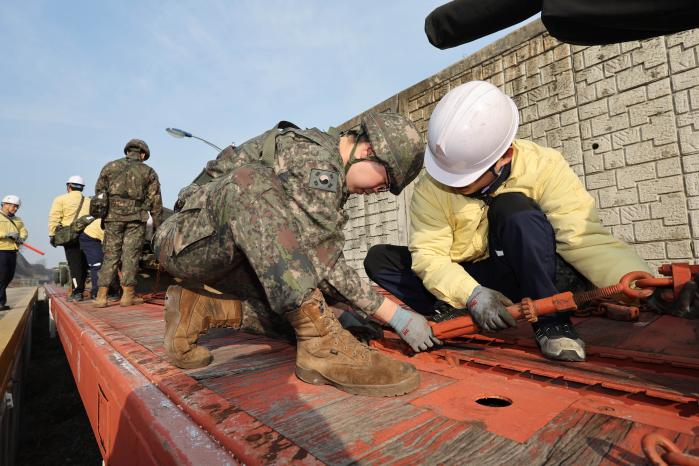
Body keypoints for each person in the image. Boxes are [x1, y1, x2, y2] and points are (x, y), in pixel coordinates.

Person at [364, 80, 654, 362]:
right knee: (381, 259)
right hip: (472, 280)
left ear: (505, 156)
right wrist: (471, 294)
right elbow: (429, 255)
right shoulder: (431, 188)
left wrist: (646, 285)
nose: (454, 185)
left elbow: (583, 237)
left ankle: (551, 322)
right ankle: (455, 308)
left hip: (527, 271)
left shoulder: (544, 165)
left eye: (466, 178)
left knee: (513, 208)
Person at [154, 112, 438, 397]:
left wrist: (340, 311)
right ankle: (322, 347)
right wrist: (394, 315)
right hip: (184, 239)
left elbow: (305, 260)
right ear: (369, 150)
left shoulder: (330, 175)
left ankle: (199, 308)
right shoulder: (315, 160)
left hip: (223, 249)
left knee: (299, 304)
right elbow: (323, 261)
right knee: (249, 182)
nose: (378, 192)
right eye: (385, 182)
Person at [93, 139, 163, 308]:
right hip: (136, 218)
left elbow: (99, 192)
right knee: (130, 256)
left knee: (110, 255)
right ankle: (127, 296)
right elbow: (155, 201)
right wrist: (158, 226)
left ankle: (101, 297)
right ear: (143, 154)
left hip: (112, 218)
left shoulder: (109, 167)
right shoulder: (148, 172)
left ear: (127, 152)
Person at [48, 175, 90, 301]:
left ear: (68, 186)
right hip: (87, 235)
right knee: (84, 264)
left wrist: (52, 235)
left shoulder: (60, 199)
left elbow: (54, 218)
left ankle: (77, 292)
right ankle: (84, 289)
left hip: (70, 236)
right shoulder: (88, 201)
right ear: (82, 188)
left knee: (74, 265)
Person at [0, 195, 28, 311]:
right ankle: (1, 302)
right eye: (13, 206)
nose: (15, 209)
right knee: (2, 276)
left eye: (17, 207)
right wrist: (6, 235)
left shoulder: (18, 220)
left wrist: (21, 238)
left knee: (8, 276)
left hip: (12, 250)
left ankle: (1, 302)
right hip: (1, 249)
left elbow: (24, 231)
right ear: (5, 204)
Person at [78, 211, 106, 300]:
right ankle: (96, 292)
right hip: (89, 237)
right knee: (97, 264)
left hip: (101, 236)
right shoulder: (107, 225)